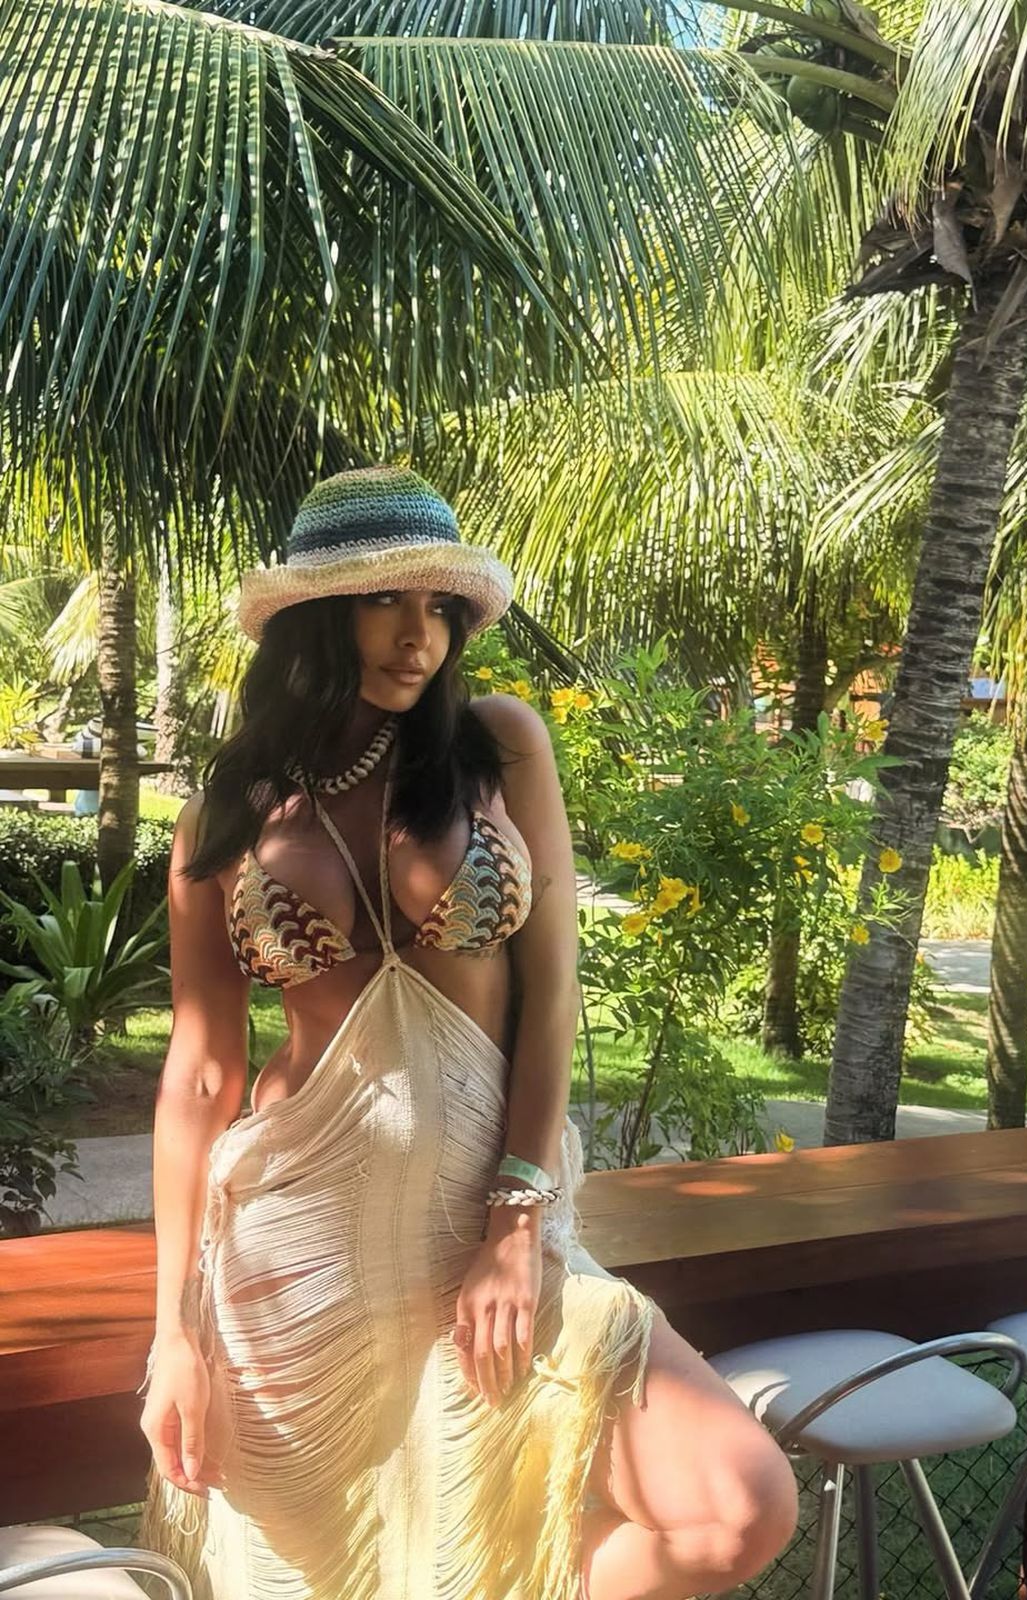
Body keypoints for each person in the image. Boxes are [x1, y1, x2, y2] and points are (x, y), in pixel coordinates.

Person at [136, 465, 798, 1600]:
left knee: (738, 1505)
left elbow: (553, 994)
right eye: (386, 601)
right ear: (314, 618)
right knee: (321, 1569)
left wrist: (516, 1215)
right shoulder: (225, 816)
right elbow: (200, 1074)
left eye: (440, 608)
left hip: (485, 1220)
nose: (421, 636)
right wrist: (173, 1334)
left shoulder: (499, 747)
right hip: (294, 1246)